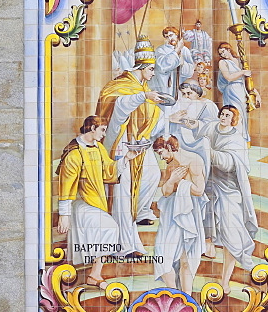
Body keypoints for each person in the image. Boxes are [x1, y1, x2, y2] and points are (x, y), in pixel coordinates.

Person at [56, 116, 141, 289]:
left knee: (108, 229)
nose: (104, 134)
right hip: (80, 203)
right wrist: (64, 215)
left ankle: (94, 275)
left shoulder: (98, 148)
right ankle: (94, 274)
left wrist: (126, 158)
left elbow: (109, 170)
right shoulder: (74, 153)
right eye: (102, 130)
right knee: (110, 228)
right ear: (92, 128)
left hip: (95, 202)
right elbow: (66, 187)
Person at [96, 36, 164, 242]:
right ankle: (121, 232)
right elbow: (118, 107)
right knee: (122, 186)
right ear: (142, 66)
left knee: (152, 173)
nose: (153, 74)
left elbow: (150, 114)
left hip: (139, 141)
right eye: (151, 69)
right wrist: (144, 97)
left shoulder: (142, 87)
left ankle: (141, 211)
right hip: (119, 143)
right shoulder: (120, 85)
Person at [200, 105, 259, 294]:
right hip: (209, 183)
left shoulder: (236, 139)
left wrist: (209, 152)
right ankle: (208, 246)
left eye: (228, 115)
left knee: (231, 237)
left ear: (234, 119)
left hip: (229, 189)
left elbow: (228, 164)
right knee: (200, 218)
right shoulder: (211, 128)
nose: (224, 117)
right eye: (223, 114)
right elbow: (197, 135)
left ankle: (225, 281)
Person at [152, 135, 209, 295]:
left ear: (169, 148)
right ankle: (174, 294)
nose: (161, 157)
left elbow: (199, 190)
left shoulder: (194, 160)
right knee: (161, 255)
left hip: (188, 211)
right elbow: (165, 191)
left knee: (187, 259)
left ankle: (186, 299)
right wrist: (171, 181)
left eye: (161, 152)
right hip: (171, 212)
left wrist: (181, 183)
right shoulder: (170, 164)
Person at [216, 42, 259, 143]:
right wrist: (243, 72)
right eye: (220, 53)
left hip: (241, 90)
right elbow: (229, 78)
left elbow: (246, 81)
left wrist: (256, 94)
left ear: (228, 49)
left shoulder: (239, 61)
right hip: (231, 91)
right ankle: (233, 140)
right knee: (233, 113)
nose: (222, 55)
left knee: (242, 115)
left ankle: (242, 139)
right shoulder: (223, 62)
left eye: (223, 52)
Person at [151, 26, 195, 97]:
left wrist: (183, 64)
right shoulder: (161, 50)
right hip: (165, 87)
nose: (170, 39)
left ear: (176, 34)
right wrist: (177, 51)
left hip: (180, 87)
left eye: (171, 35)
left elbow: (190, 71)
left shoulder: (184, 50)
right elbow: (162, 66)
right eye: (167, 37)